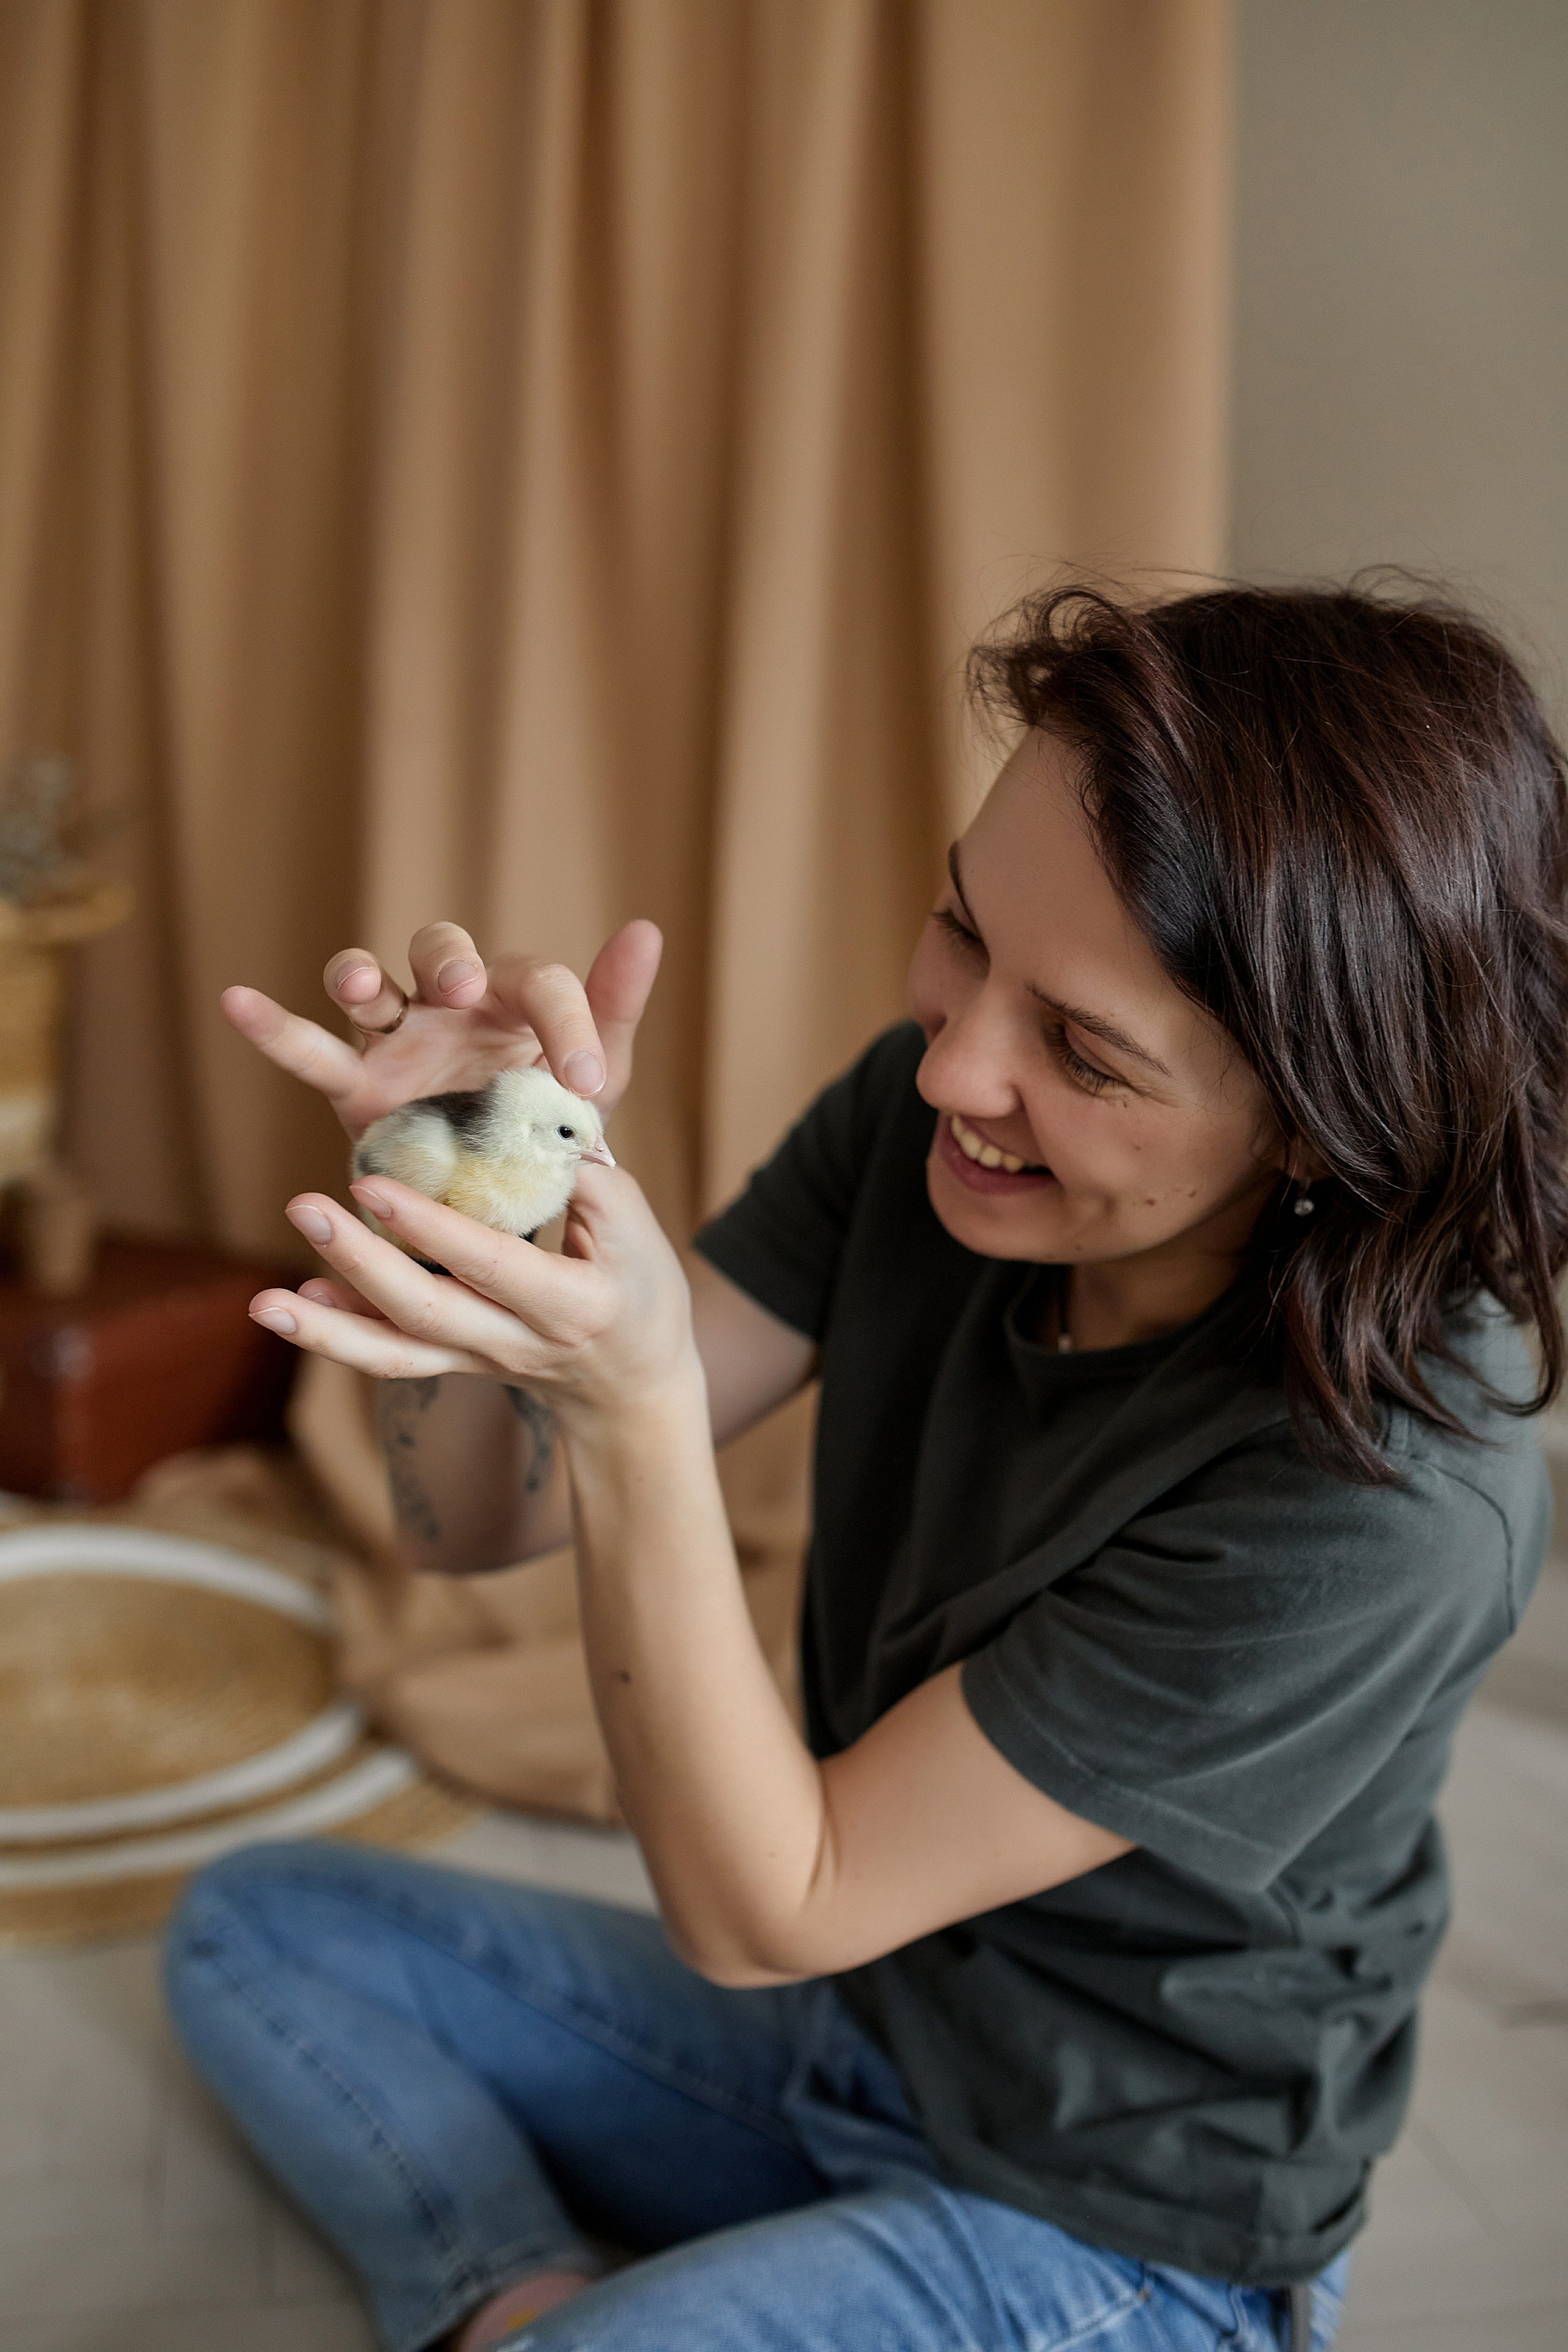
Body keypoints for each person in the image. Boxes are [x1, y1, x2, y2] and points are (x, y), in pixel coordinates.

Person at [165, 582, 1568, 2352]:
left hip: (1117, 2215)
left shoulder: (1393, 1496)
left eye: (1082, 1050)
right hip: (856, 2033)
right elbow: (472, 1522)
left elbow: (766, 1907)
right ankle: (504, 2302)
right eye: (962, 930)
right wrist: (478, 1186)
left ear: (1315, 1121)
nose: (957, 1063)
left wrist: (635, 1403)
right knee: (260, 1924)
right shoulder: (942, 1126)